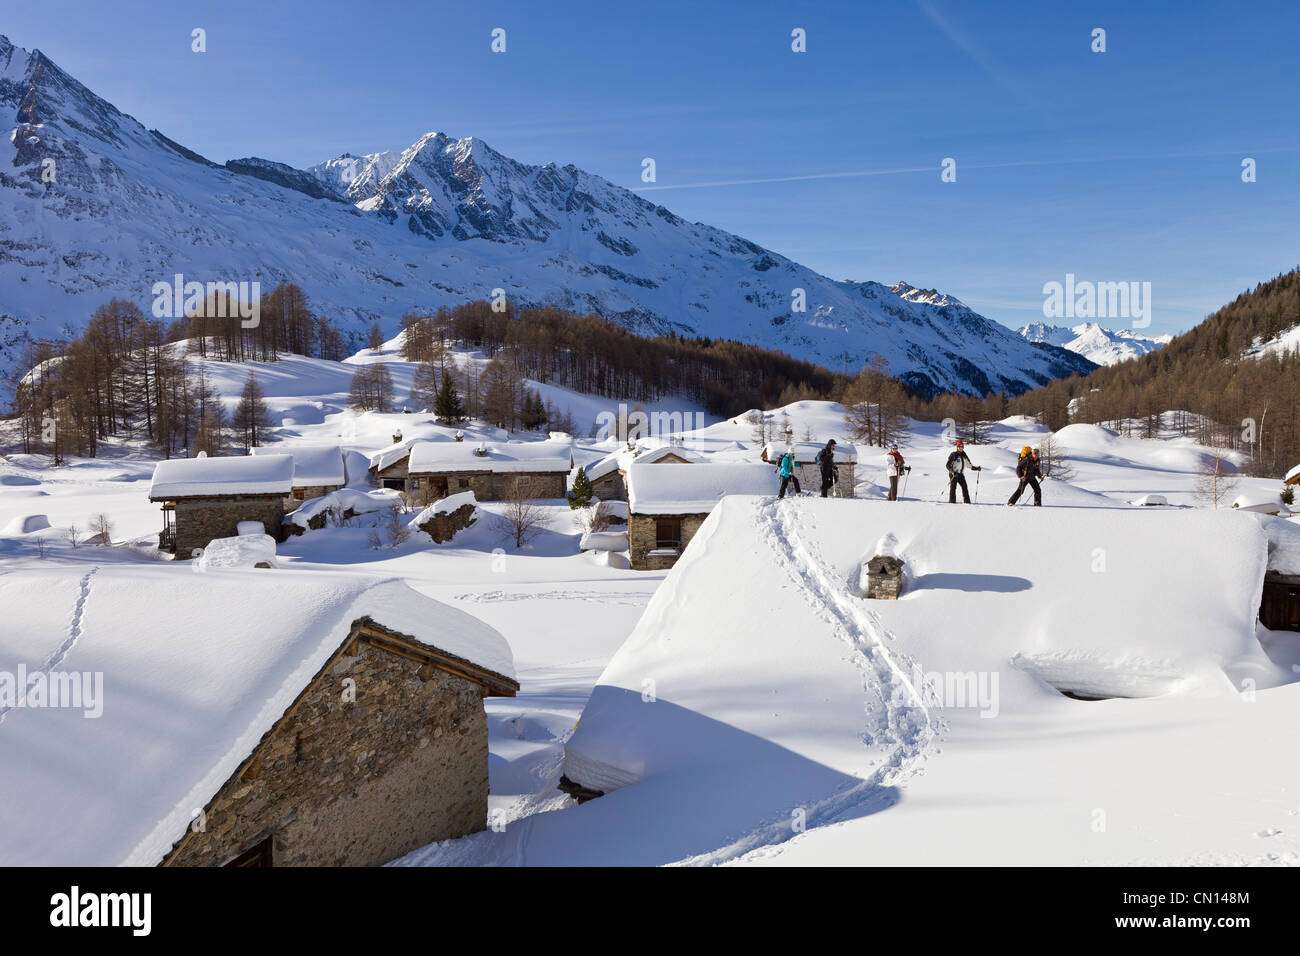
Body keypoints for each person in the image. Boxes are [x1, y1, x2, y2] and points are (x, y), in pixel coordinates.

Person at [945, 439, 981, 503]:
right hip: (954, 474)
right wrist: (953, 471)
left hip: (960, 474)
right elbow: (947, 465)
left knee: (965, 487)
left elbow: (969, 465)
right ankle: (952, 502)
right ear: (957, 447)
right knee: (953, 488)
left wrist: (976, 468)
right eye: (959, 446)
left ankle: (967, 502)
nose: (961, 448)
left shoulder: (964, 456)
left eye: (962, 446)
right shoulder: (954, 455)